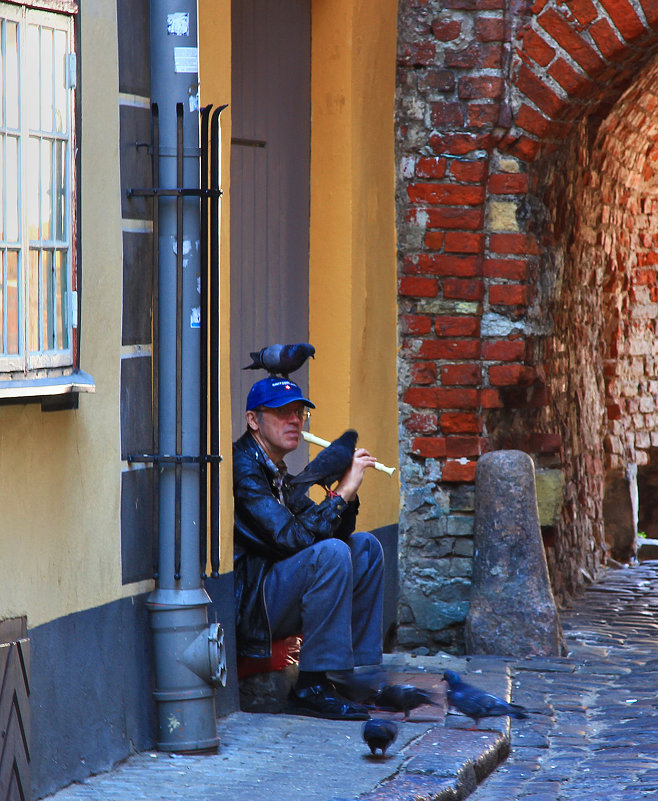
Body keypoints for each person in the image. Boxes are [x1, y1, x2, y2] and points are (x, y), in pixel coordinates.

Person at [233, 375, 384, 720]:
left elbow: (328, 530)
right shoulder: (246, 470)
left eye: (299, 413)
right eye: (282, 413)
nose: (294, 421)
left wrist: (347, 494)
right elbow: (293, 539)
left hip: (278, 586)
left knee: (364, 548)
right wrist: (341, 493)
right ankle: (311, 687)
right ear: (253, 420)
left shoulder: (276, 469)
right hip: (255, 602)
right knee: (331, 555)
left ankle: (347, 678)